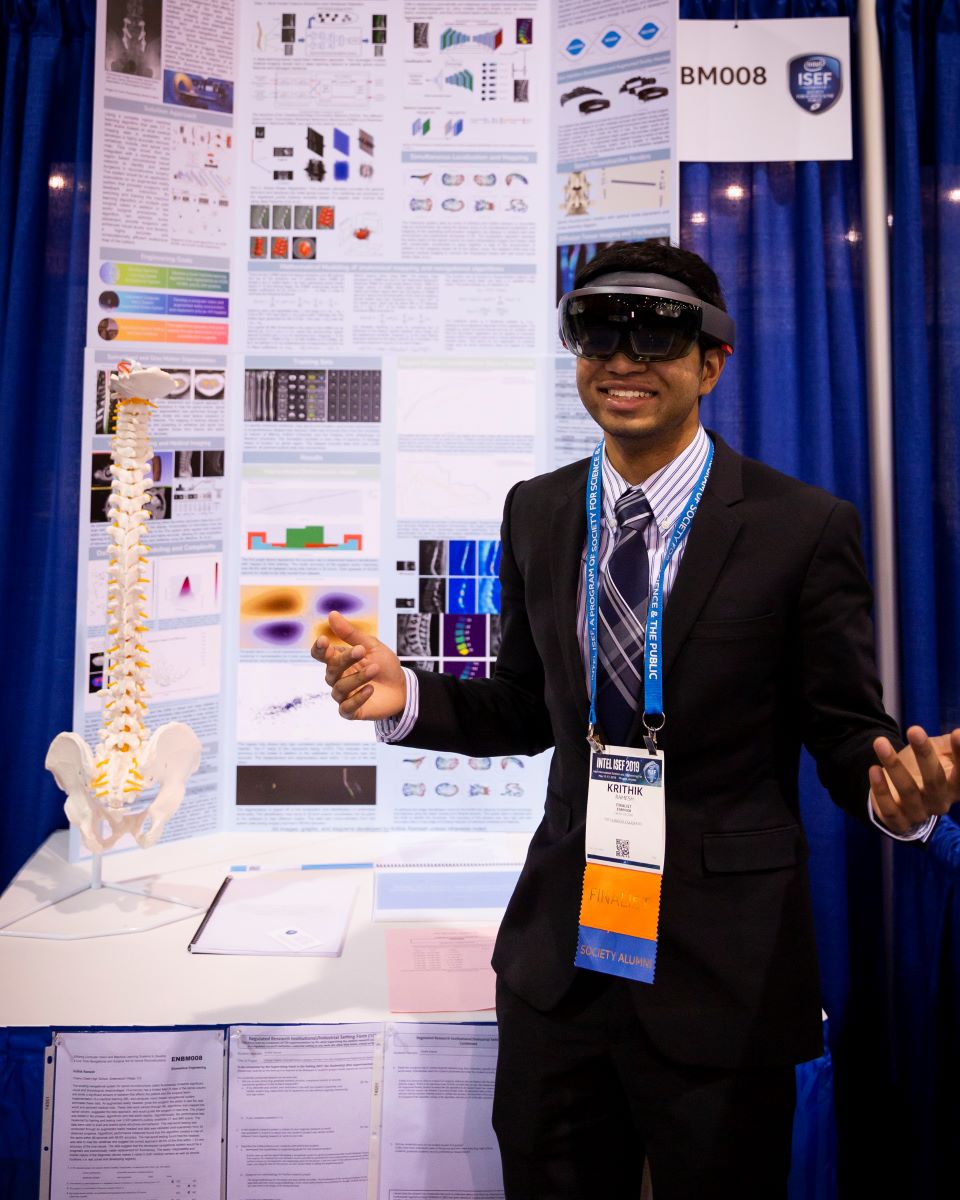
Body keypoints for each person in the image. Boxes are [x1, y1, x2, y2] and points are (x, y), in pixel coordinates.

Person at [313, 241, 960, 1198]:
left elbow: (841, 729)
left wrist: (899, 802)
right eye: (597, 332)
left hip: (722, 967)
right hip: (560, 959)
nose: (624, 359)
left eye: (658, 336)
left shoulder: (801, 527)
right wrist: (408, 695)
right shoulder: (537, 512)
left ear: (711, 361)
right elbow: (529, 703)